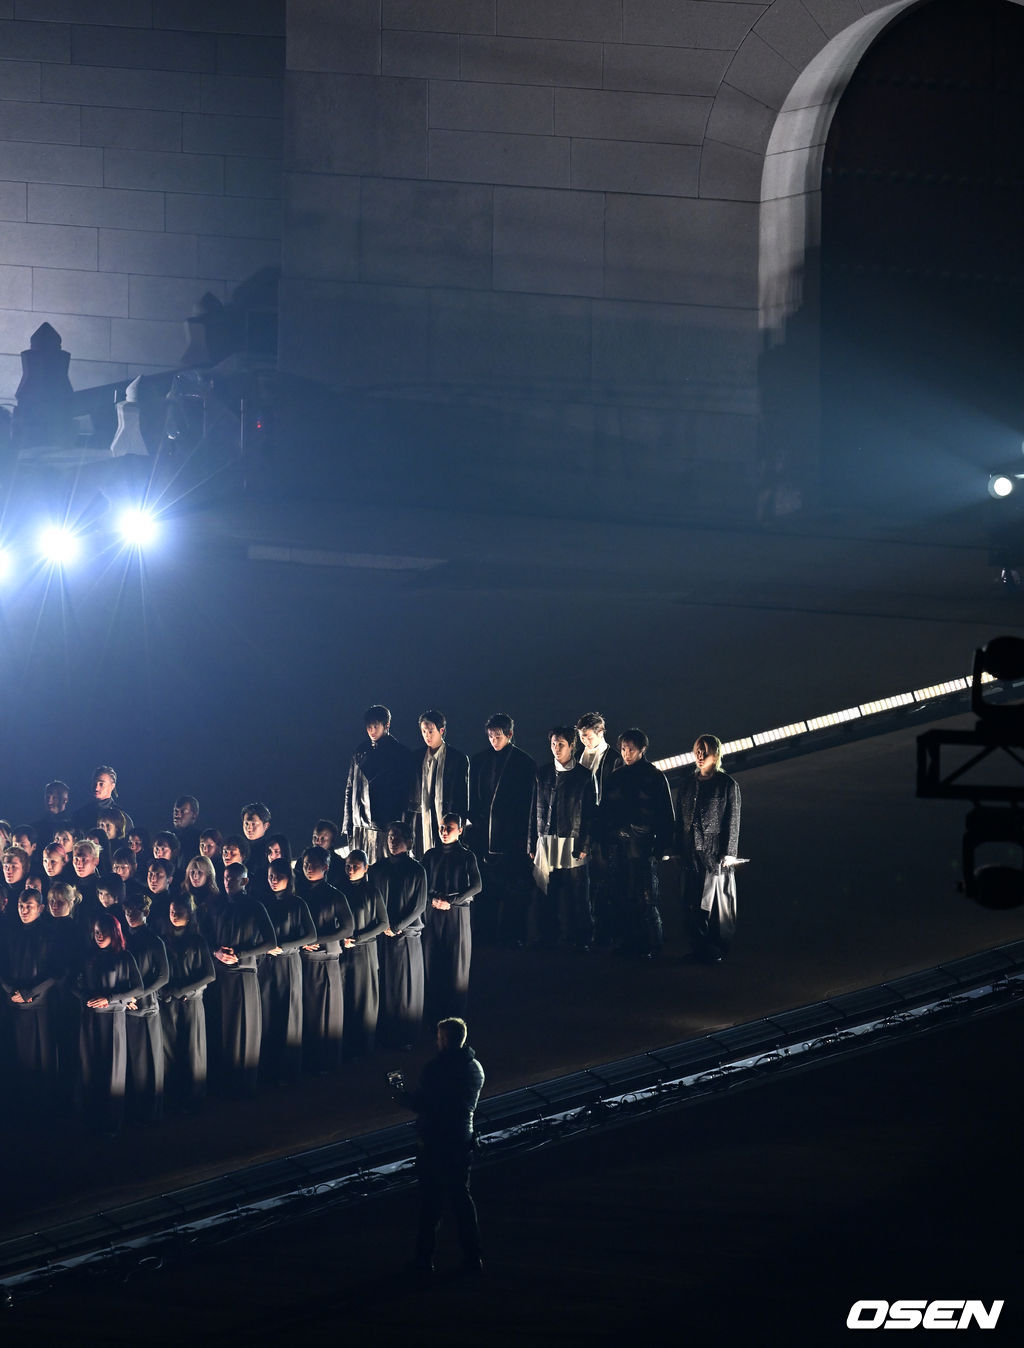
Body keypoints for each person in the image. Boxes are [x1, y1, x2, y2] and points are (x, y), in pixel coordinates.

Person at [392, 1015, 485, 1277]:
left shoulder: (435, 1069)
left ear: (443, 1039)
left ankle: (424, 1260)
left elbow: (426, 1105)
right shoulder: (475, 1067)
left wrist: (402, 1099)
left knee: (430, 1205)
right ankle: (473, 1257)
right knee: (462, 1202)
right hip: (462, 1141)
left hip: (435, 1144)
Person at [599, 728, 675, 959]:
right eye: (623, 749)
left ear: (642, 749)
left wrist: (661, 846)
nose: (626, 753)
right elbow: (605, 812)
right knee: (621, 893)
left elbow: (665, 814)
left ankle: (650, 943)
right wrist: (606, 839)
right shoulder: (616, 777)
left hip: (643, 846)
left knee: (645, 895)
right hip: (620, 846)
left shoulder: (654, 776)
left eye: (631, 749)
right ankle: (626, 941)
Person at [467, 712, 536, 947]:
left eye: (498, 735)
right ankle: (485, 934)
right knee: (485, 890)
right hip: (483, 836)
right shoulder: (478, 760)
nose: (494, 740)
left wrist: (525, 841)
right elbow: (473, 801)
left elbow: (527, 806)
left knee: (513, 890)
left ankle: (513, 935)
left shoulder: (525, 763)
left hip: (511, 837)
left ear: (510, 734)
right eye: (490, 736)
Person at [208, 862, 276, 1096]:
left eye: (232, 879)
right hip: (221, 975)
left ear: (244, 881)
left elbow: (270, 942)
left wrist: (240, 953)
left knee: (244, 1028)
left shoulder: (255, 906)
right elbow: (205, 938)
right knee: (222, 1027)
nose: (227, 882)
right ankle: (224, 1080)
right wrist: (216, 952)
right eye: (225, 878)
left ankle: (245, 1082)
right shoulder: (216, 906)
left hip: (245, 973)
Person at [528, 726, 599, 949]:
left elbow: (590, 814)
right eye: (553, 744)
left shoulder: (584, 776)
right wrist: (531, 842)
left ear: (571, 746)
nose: (556, 749)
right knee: (546, 893)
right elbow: (533, 810)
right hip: (546, 838)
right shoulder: (542, 773)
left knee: (578, 895)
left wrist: (586, 844)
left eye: (561, 744)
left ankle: (582, 939)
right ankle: (548, 936)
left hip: (573, 841)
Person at [74, 912, 144, 1135]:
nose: (99, 936)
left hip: (113, 1017)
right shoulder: (88, 957)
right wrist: (85, 998)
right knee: (90, 1067)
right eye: (95, 932)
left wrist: (110, 998)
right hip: (91, 1017)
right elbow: (74, 984)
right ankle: (90, 1119)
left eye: (103, 932)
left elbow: (138, 988)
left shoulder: (125, 957)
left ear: (114, 933)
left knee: (112, 1069)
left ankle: (112, 1123)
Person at [675, 734, 742, 964]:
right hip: (690, 853)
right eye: (697, 750)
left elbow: (732, 820)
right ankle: (698, 948)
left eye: (704, 750)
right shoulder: (686, 785)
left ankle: (716, 948)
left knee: (715, 904)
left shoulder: (726, 785)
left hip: (714, 855)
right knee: (690, 902)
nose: (700, 755)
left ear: (716, 752)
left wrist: (728, 852)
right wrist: (676, 848)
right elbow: (679, 821)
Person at [372, 821, 427, 1050]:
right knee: (385, 983)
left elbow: (419, 905)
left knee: (405, 985)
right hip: (382, 935)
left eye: (397, 837)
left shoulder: (416, 870)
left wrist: (396, 926)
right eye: (390, 836)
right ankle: (385, 1032)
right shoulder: (378, 868)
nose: (392, 841)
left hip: (406, 936)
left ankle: (406, 1034)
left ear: (409, 841)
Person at [259, 856, 315, 1084]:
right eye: (270, 876)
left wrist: (283, 946)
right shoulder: (264, 903)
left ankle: (289, 1070)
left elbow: (310, 935)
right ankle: (269, 1068)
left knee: (288, 1013)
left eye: (277, 876)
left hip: (289, 962)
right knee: (268, 1013)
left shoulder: (297, 904)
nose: (273, 881)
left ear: (288, 878)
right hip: (267, 965)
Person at [159, 894, 215, 1110]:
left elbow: (209, 974)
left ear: (190, 915)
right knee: (169, 1048)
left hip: (191, 1001)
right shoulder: (163, 940)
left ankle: (194, 1096)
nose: (174, 915)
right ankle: (172, 1094)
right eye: (172, 911)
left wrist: (182, 990)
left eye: (179, 911)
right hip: (169, 1001)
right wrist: (168, 992)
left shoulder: (198, 941)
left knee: (193, 1048)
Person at [422, 813, 481, 1019]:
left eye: (449, 828)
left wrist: (452, 901)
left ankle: (455, 1017)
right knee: (432, 961)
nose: (444, 832)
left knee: (456, 965)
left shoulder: (467, 856)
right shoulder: (430, 855)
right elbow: (423, 885)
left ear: (460, 830)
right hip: (434, 913)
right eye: (441, 828)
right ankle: (433, 1015)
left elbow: (476, 886)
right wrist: (432, 900)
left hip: (457, 915)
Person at [342, 705, 416, 866]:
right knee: (359, 867)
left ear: (386, 725)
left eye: (376, 726)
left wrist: (401, 823)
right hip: (359, 822)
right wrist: (348, 821)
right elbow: (350, 787)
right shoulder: (360, 751)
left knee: (383, 867)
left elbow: (404, 792)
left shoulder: (400, 753)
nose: (371, 730)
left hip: (384, 823)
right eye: (369, 726)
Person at [575, 712, 622, 946]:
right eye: (582, 737)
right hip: (583, 830)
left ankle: (605, 933)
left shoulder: (614, 759)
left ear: (601, 732)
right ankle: (588, 933)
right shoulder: (579, 756)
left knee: (604, 883)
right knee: (585, 884)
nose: (585, 741)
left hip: (603, 832)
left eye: (588, 736)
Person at [122, 894, 169, 1122]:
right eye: (127, 911)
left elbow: (163, 977)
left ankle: (150, 1111)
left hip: (146, 1006)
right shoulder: (123, 940)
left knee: (148, 1060)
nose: (130, 915)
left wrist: (137, 994)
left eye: (134, 910)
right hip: (126, 1007)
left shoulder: (154, 941)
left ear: (146, 913)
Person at [339, 849, 388, 1059]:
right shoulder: (339, 890)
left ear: (366, 868)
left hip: (364, 950)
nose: (350, 870)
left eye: (355, 866)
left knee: (364, 998)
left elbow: (383, 923)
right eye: (348, 866)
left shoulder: (372, 892)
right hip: (342, 952)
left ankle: (364, 1046)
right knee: (346, 998)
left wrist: (358, 938)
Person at [414, 709, 470, 857]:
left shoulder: (457, 758)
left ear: (441, 730)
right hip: (423, 819)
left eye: (431, 731)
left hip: (446, 818)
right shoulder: (417, 757)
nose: (427, 735)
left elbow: (463, 795)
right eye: (424, 731)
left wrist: (460, 825)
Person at [172, 795, 201, 863]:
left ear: (194, 815)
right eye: (176, 811)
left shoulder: (200, 840)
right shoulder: (167, 838)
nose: (177, 814)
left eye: (183, 811)